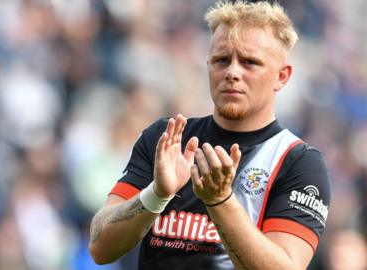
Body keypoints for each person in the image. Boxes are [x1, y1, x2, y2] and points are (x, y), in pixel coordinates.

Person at [89, 1, 331, 269]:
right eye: (221, 60)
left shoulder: (298, 162)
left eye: (250, 62)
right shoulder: (168, 138)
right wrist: (156, 194)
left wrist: (220, 201)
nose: (232, 73)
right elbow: (100, 246)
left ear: (282, 77)